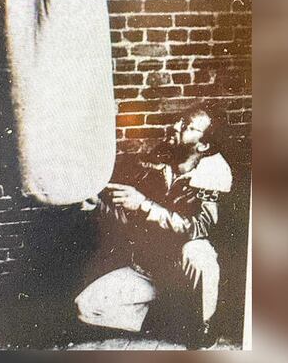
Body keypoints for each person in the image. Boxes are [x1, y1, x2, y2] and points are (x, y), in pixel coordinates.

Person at [74, 104, 233, 348]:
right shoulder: (157, 160)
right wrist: (99, 207)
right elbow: (133, 224)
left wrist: (144, 205)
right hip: (149, 269)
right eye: (179, 120)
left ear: (203, 145)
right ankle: (170, 316)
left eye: (186, 126)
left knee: (199, 252)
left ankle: (202, 326)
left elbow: (199, 227)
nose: (175, 126)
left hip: (183, 270)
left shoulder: (215, 171)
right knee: (86, 308)